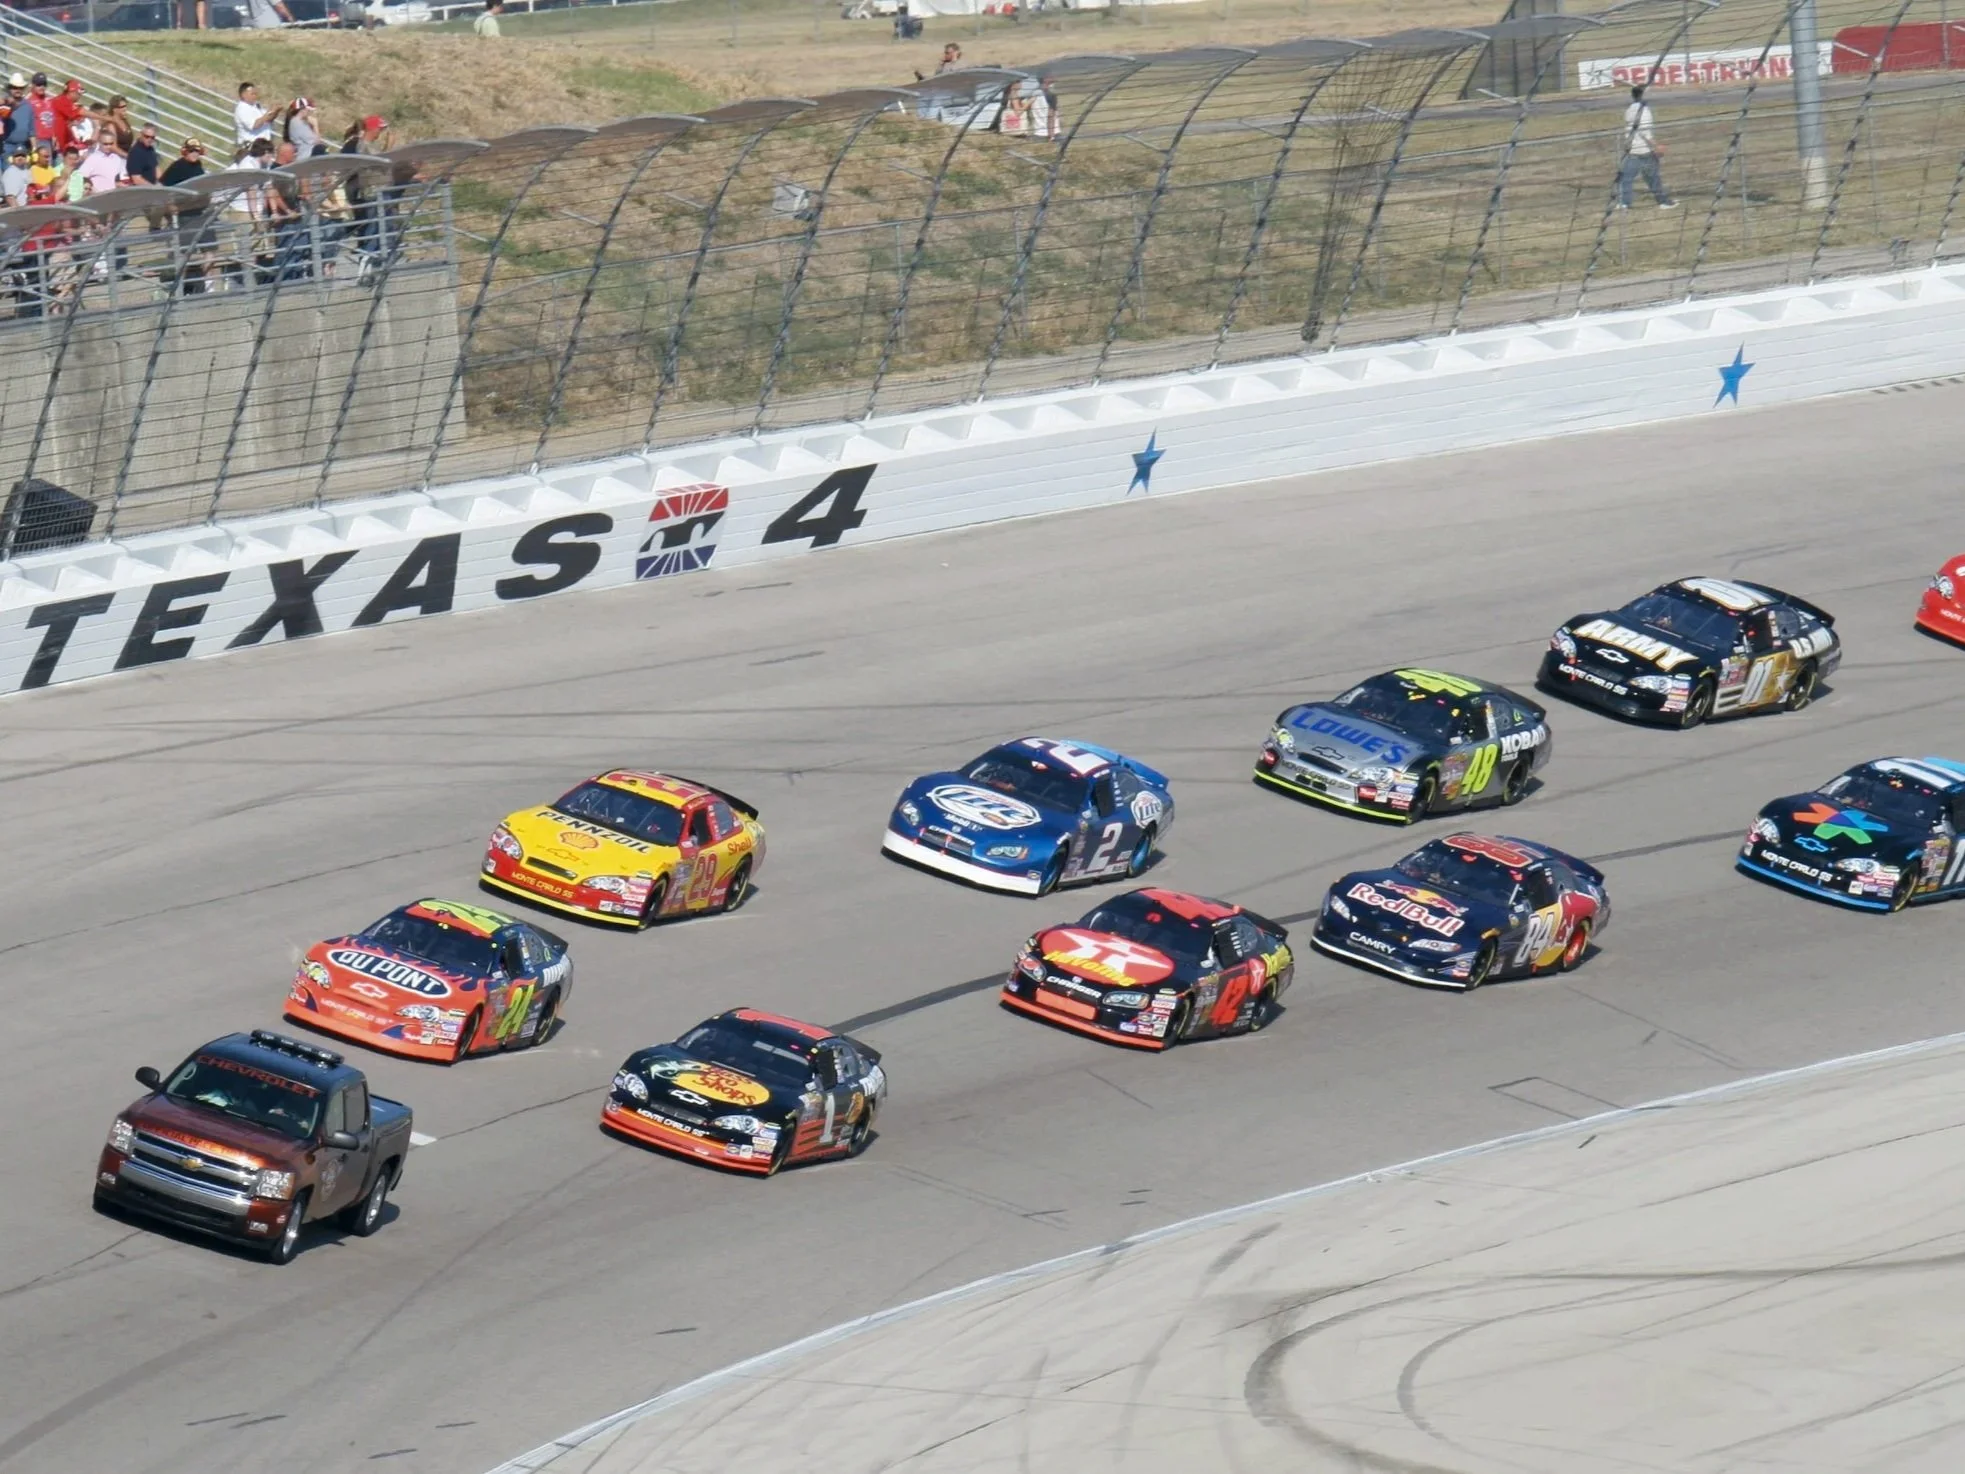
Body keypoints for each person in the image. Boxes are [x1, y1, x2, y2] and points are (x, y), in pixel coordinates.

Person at [1617, 83, 1676, 210]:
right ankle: (1663, 202)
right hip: (1644, 150)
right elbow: (1645, 131)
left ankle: (1624, 203)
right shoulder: (1644, 111)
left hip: (1631, 148)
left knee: (1626, 178)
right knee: (1653, 178)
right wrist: (1656, 146)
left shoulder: (1630, 110)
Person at [234, 82, 279, 159]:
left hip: (263, 146)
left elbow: (267, 119)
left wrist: (275, 111)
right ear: (243, 95)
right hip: (252, 148)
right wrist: (269, 112)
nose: (255, 96)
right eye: (252, 94)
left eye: (255, 94)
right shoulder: (241, 109)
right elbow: (254, 125)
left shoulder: (256, 106)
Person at [26, 76, 59, 153]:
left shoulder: (50, 100)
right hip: (38, 140)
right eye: (39, 85)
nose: (42, 87)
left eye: (44, 84)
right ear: (33, 85)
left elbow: (54, 120)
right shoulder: (28, 101)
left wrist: (55, 136)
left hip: (51, 139)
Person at [52, 79, 85, 152]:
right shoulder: (59, 101)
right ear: (71, 92)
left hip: (62, 145)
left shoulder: (66, 103)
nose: (80, 96)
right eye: (78, 93)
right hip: (56, 146)